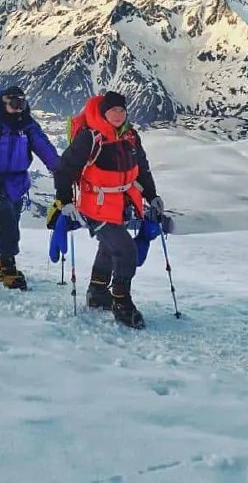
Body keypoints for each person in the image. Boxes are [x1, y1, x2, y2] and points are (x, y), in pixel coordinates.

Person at [50, 91, 164, 328]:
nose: (118, 115)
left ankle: (98, 292)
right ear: (103, 112)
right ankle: (122, 303)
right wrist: (65, 200)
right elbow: (64, 168)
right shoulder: (91, 138)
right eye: (113, 110)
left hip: (120, 204)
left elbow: (141, 169)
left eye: (122, 110)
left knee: (108, 248)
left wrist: (151, 195)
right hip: (95, 206)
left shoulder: (130, 136)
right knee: (125, 250)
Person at [0, 86, 59, 289]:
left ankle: (1, 259)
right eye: (13, 104)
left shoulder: (27, 125)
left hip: (17, 183)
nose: (18, 109)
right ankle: (8, 268)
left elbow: (44, 147)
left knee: (10, 222)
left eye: (22, 104)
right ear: (3, 104)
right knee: (7, 221)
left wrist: (60, 169)